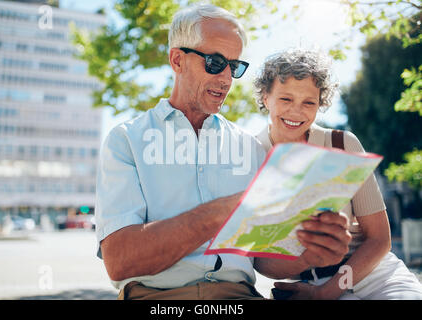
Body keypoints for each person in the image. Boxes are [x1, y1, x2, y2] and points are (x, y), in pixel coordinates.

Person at [95, 4, 351, 300]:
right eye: (216, 62)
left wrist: (310, 254)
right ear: (177, 60)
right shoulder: (125, 141)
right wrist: (226, 210)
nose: (227, 79)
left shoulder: (250, 147)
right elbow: (120, 261)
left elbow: (262, 258)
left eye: (235, 66)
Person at [253, 48, 422, 299]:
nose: (296, 112)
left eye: (309, 102)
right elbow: (259, 261)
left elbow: (379, 239)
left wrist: (327, 292)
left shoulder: (342, 144)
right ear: (266, 97)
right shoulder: (252, 156)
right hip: (305, 285)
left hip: (373, 274)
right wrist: (306, 260)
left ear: (320, 104)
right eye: (286, 99)